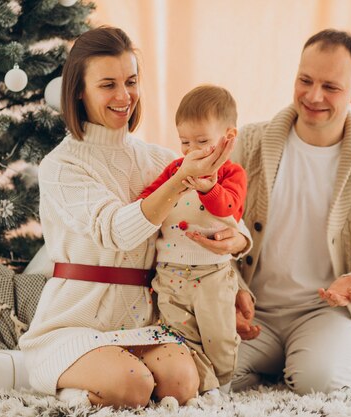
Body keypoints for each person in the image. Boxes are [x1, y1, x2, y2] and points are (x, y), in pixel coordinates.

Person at [18, 26, 249, 409]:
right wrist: (178, 181)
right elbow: (117, 232)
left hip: (146, 323)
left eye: (131, 81)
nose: (124, 96)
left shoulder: (159, 160)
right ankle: (73, 393)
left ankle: (109, 385)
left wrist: (239, 254)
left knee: (182, 382)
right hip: (73, 323)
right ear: (79, 90)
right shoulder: (60, 166)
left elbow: (211, 223)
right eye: (108, 84)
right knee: (133, 385)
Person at [228, 29, 351, 395]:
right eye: (305, 80)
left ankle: (302, 362)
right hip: (252, 311)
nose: (313, 96)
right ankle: (280, 362)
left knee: (320, 381)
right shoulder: (250, 142)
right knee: (208, 377)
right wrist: (230, 293)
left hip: (325, 313)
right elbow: (217, 227)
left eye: (331, 87)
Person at [137, 85, 247, 403]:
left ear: (228, 138)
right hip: (171, 273)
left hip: (212, 275)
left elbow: (230, 208)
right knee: (180, 334)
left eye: (202, 142)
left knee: (219, 337)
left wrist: (208, 185)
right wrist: (173, 184)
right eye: (185, 142)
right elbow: (148, 201)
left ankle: (223, 381)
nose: (192, 151)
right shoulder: (176, 169)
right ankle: (205, 385)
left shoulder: (232, 173)